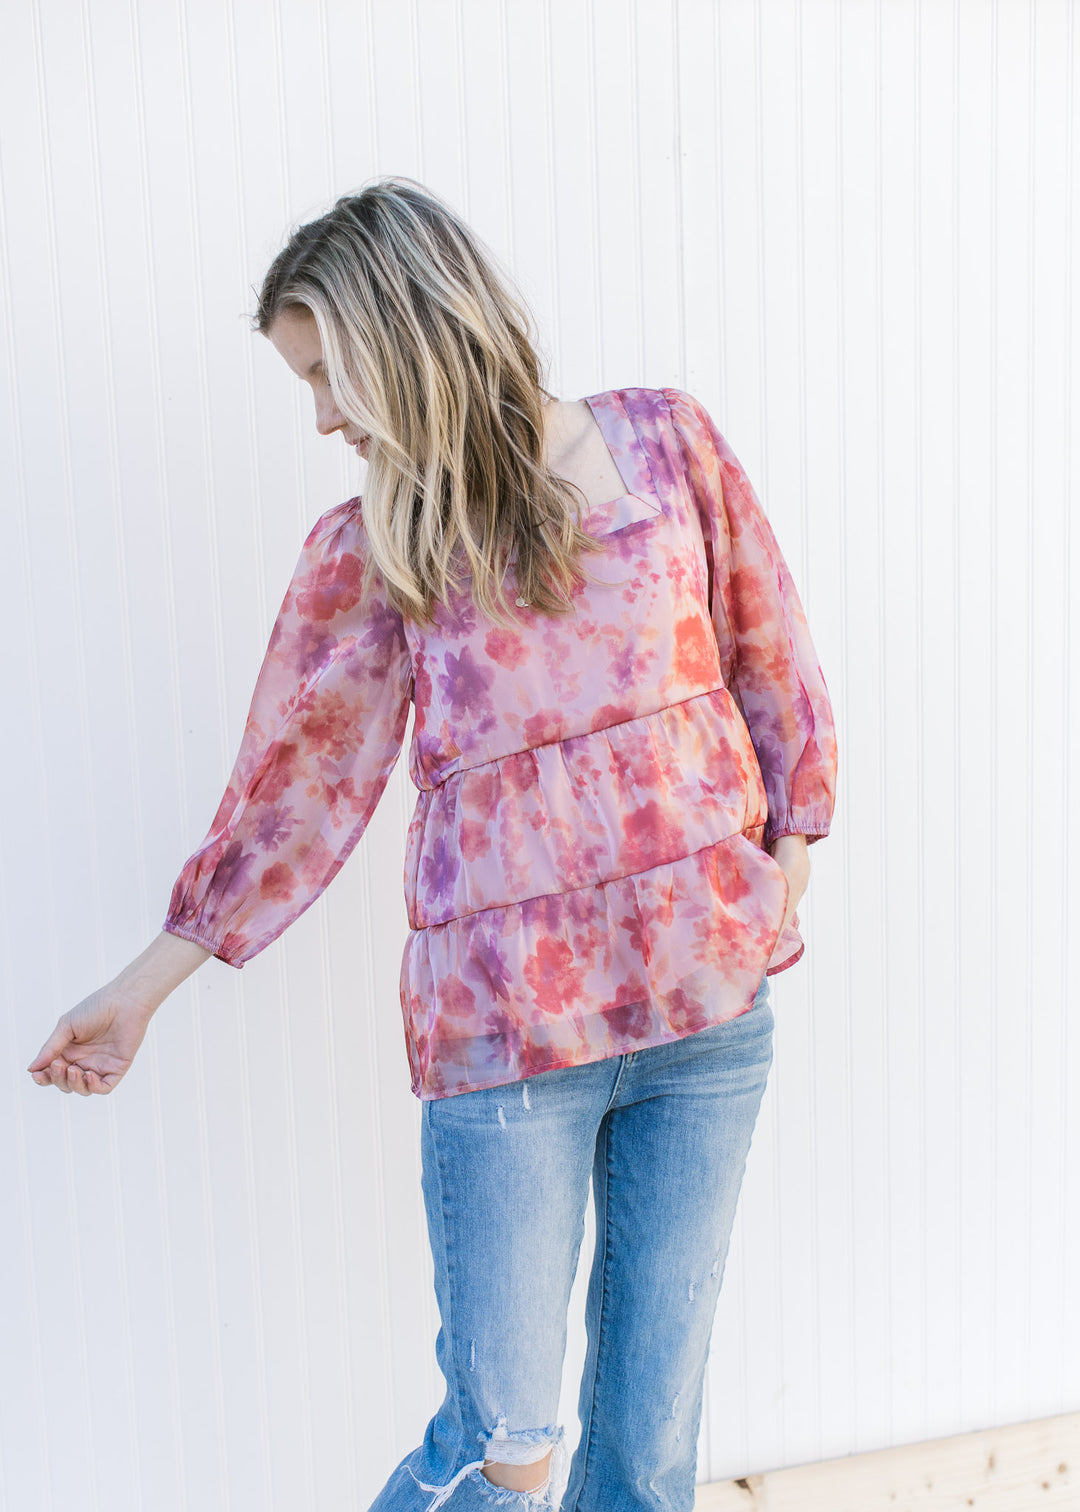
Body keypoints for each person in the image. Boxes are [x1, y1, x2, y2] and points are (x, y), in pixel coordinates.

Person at [27, 176, 838, 1510]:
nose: (322, 416)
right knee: (500, 1447)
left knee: (647, 1450)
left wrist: (781, 865)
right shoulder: (374, 547)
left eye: (325, 374)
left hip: (706, 1020)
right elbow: (295, 794)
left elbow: (769, 653)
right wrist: (140, 991)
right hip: (507, 1045)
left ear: (406, 332)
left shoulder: (665, 443)